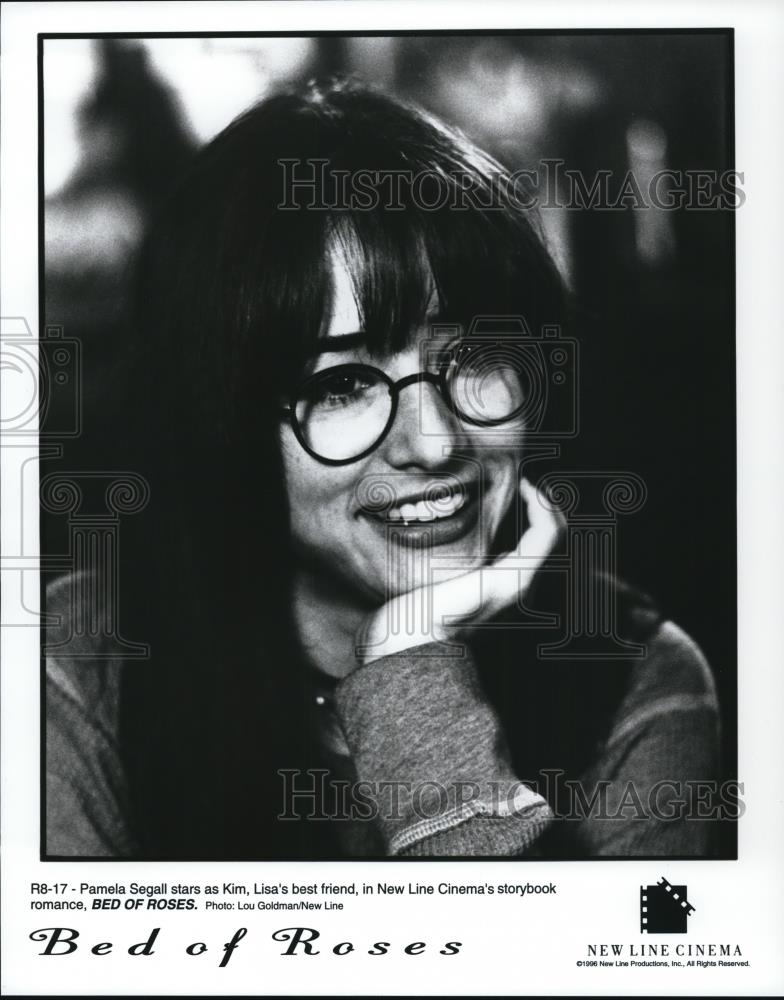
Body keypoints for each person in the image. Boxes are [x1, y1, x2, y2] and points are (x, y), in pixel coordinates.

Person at [45, 79, 721, 860]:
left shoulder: (634, 677)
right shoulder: (76, 663)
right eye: (342, 386)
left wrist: (411, 669)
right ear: (221, 419)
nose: (435, 443)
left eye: (474, 356)